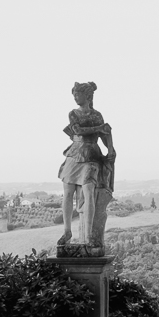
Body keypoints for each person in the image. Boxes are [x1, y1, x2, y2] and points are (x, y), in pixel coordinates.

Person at [58, 82, 115, 246]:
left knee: (89, 192)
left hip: (91, 154)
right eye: (74, 94)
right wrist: (100, 128)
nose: (76, 97)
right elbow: (77, 131)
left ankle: (89, 235)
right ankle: (67, 231)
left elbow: (106, 134)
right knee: (68, 193)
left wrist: (110, 149)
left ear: (87, 96)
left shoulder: (97, 115)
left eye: (78, 94)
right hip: (75, 153)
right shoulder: (73, 114)